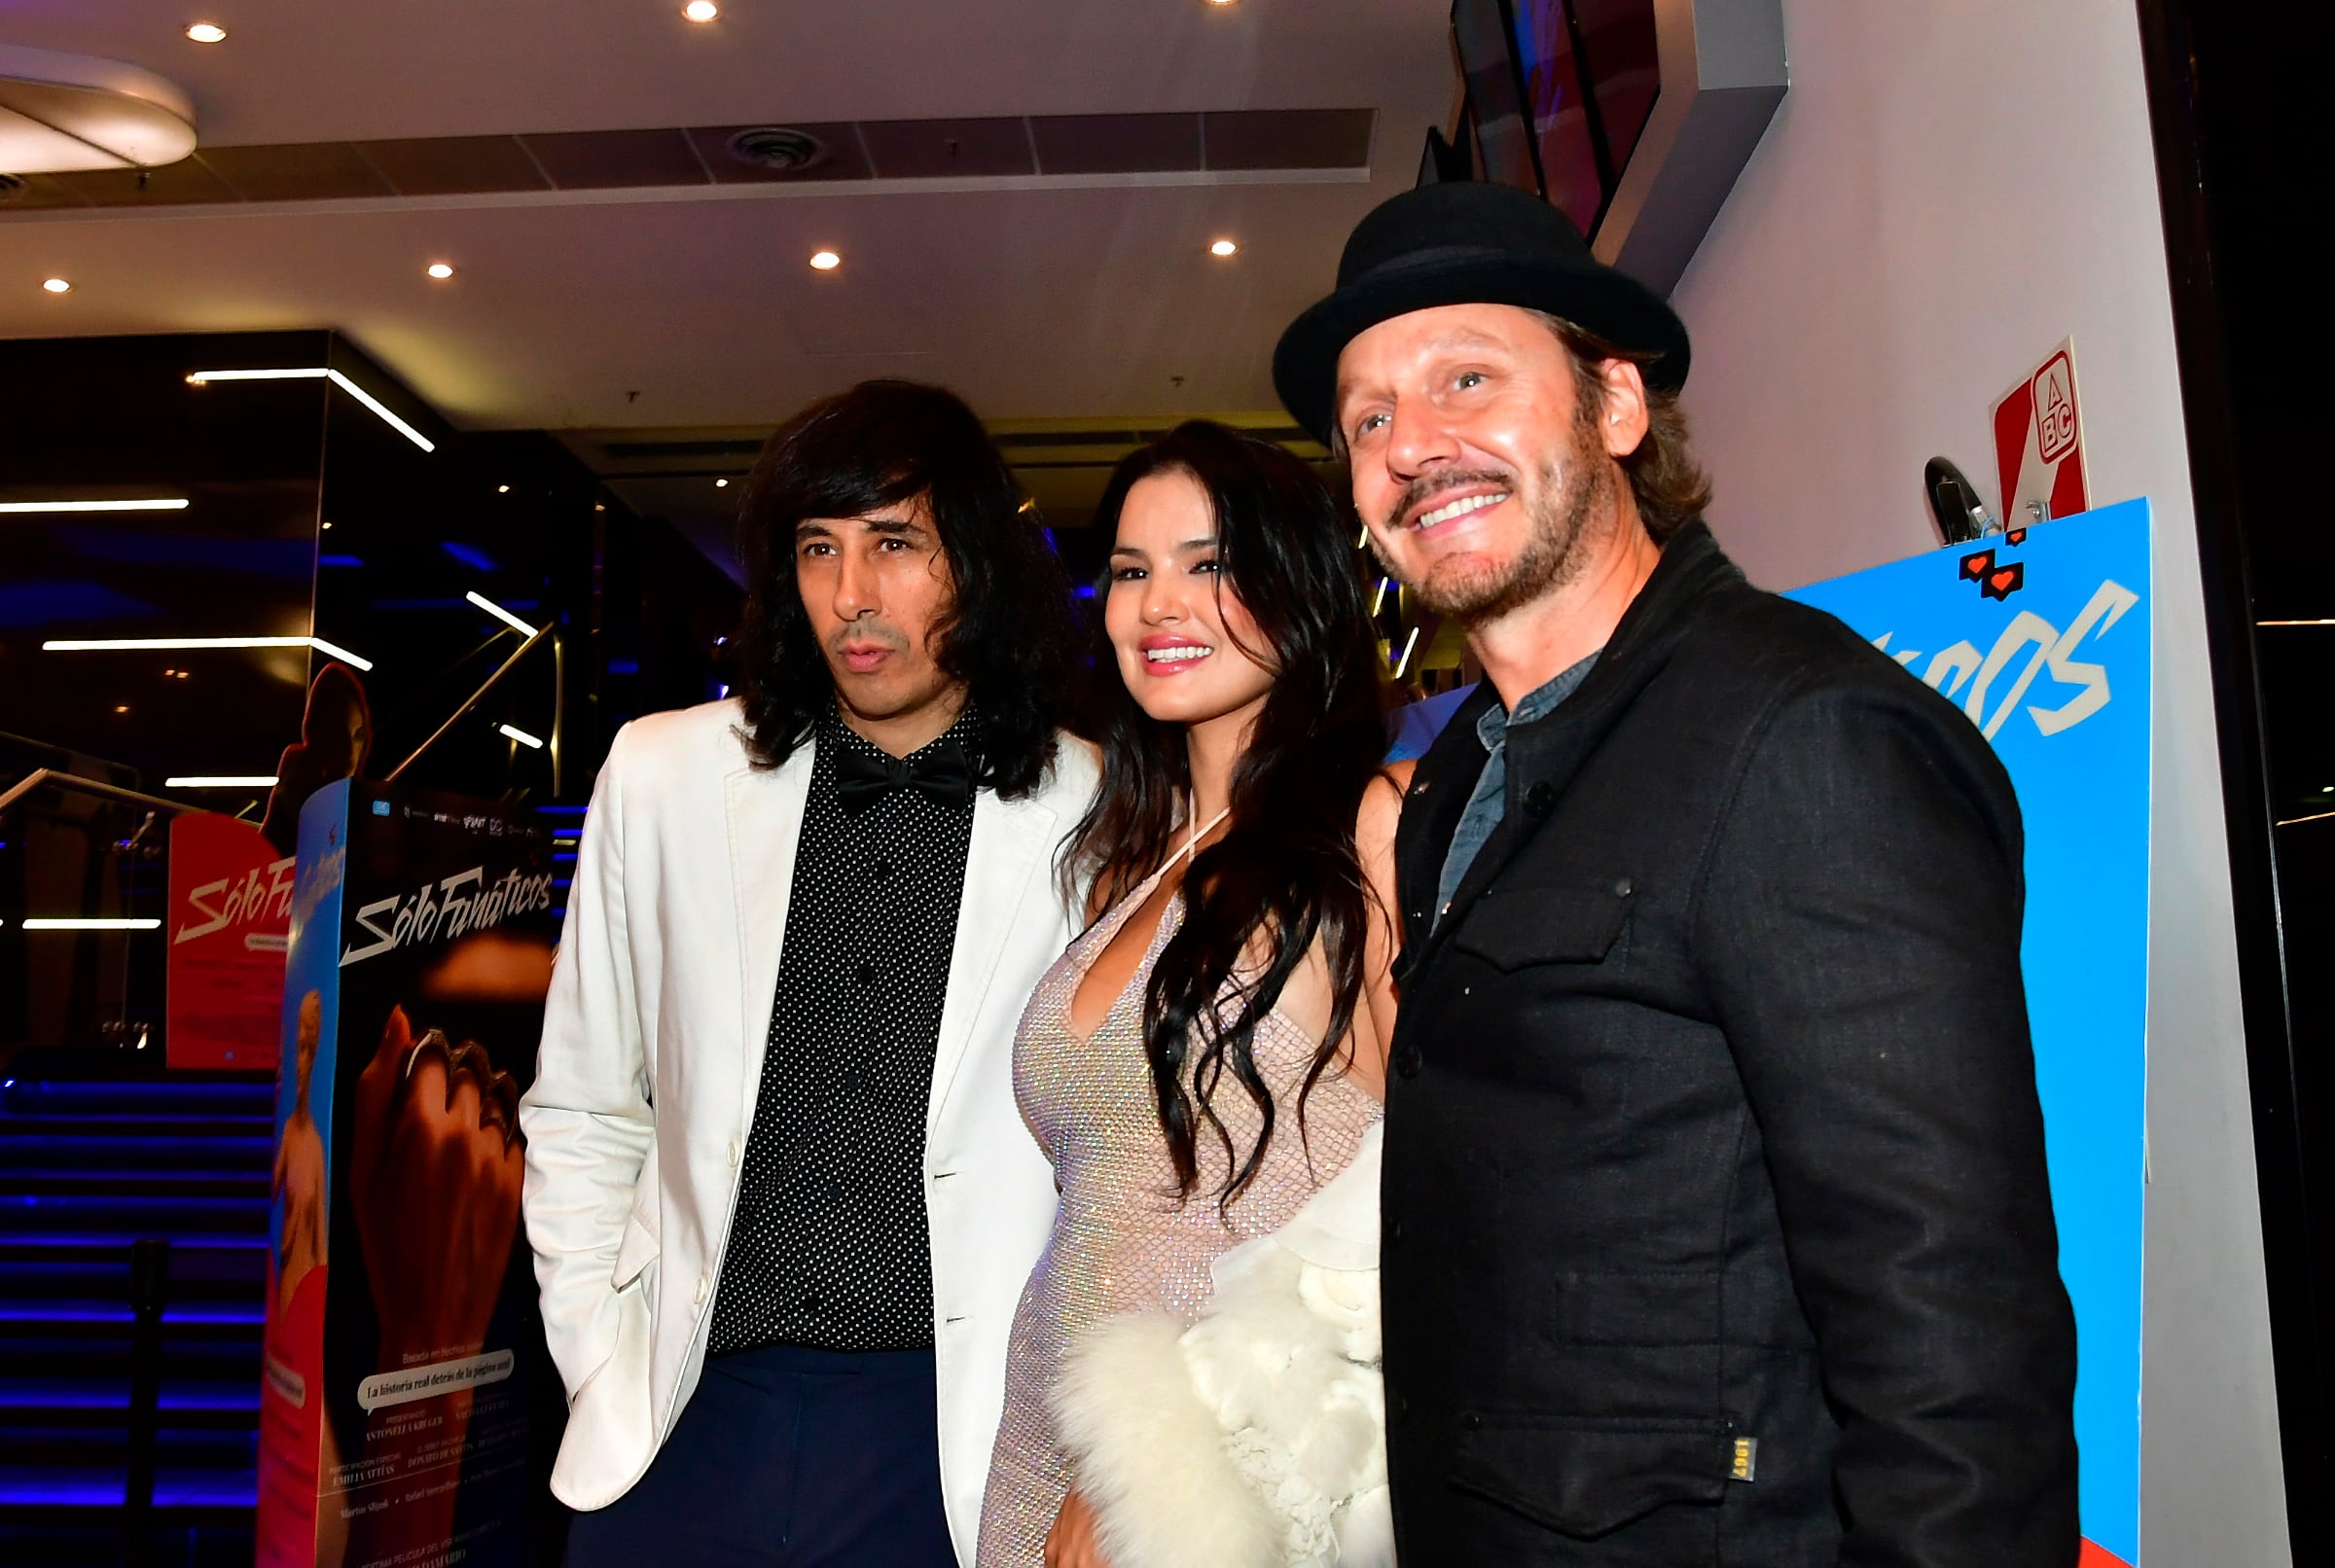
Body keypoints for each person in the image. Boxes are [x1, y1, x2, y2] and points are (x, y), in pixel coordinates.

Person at [1269, 180, 2080, 1564]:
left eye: (1469, 377)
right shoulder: (1451, 779)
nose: (1417, 447)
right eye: (1371, 421)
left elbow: (1948, 1329)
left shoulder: (1802, 737)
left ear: (1618, 405)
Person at [521, 379, 1097, 1567]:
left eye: (897, 546)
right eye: (819, 549)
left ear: (977, 567)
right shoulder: (662, 774)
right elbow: (584, 1101)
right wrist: (594, 1352)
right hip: (682, 1412)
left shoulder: (1098, 807)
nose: (852, 596)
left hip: (946, 1428)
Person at [975, 421, 1403, 1568]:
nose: (1158, 603)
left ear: (1299, 587)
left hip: (1220, 1486)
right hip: (1043, 1448)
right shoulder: (1129, 858)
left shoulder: (1365, 829)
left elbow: (1430, 1184)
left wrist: (1164, 1463)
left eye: (1208, 565)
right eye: (1129, 569)